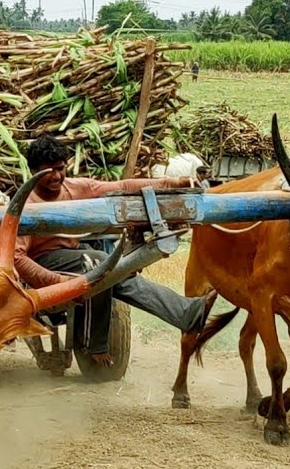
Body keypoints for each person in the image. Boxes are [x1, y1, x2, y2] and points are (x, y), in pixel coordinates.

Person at [12, 136, 217, 368]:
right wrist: (54, 280)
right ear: (33, 171)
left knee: (120, 275)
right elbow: (17, 257)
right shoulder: (25, 204)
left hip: (75, 257)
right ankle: (93, 345)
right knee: (102, 264)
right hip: (45, 261)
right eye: (47, 171)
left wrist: (174, 182)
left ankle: (187, 313)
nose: (56, 176)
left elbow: (123, 186)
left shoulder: (75, 187)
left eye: (60, 169)